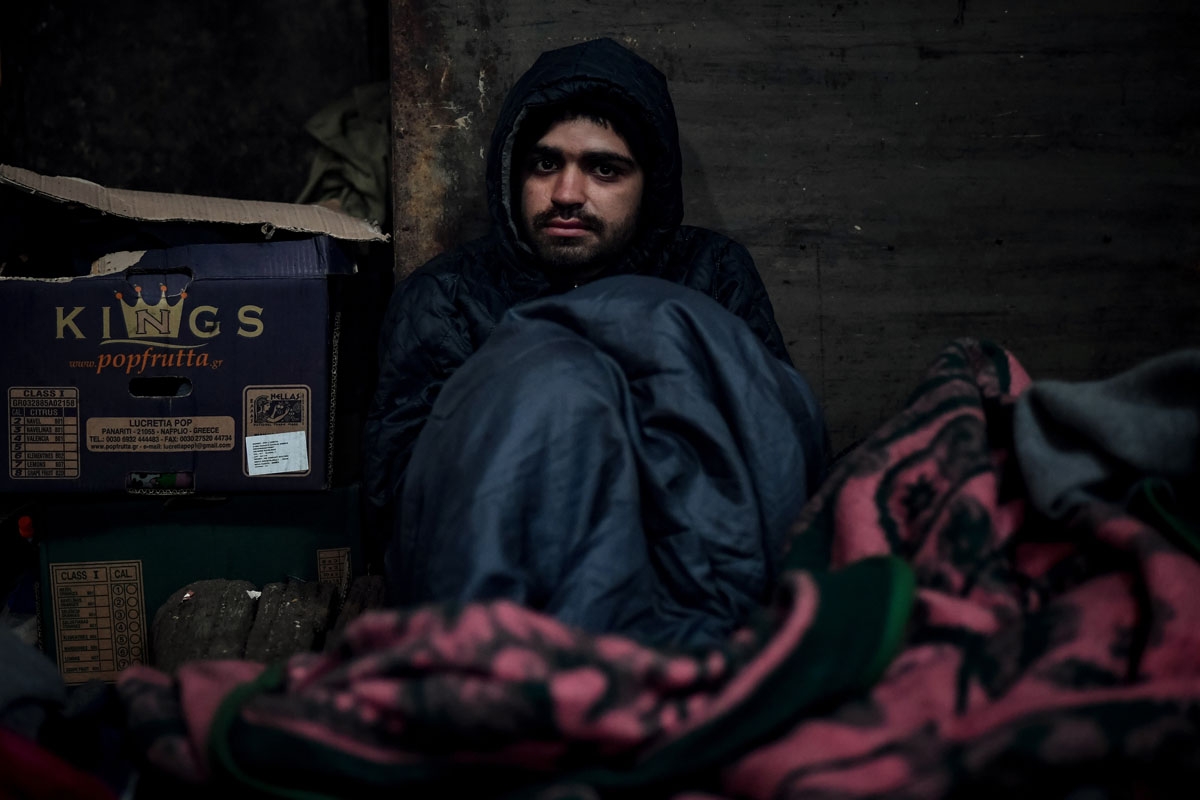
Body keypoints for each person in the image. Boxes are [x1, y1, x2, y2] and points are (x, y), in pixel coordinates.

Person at [364, 37, 828, 648]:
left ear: (650, 181)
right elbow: (410, 499)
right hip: (512, 599)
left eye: (604, 169)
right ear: (513, 173)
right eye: (544, 163)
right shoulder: (445, 297)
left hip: (691, 575)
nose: (566, 194)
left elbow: (769, 445)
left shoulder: (710, 274)